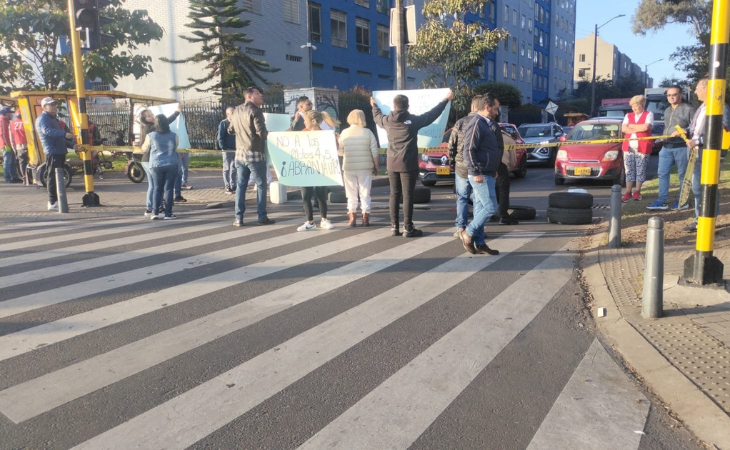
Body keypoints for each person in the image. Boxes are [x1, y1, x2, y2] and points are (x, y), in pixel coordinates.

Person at [371, 89, 453, 237]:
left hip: (391, 164)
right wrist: (445, 100)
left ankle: (394, 226)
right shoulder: (413, 121)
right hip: (408, 164)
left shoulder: (387, 121)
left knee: (394, 195)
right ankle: (408, 228)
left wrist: (374, 105)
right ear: (407, 107)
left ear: (394, 106)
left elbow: (377, 117)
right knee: (407, 195)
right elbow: (431, 115)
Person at [684, 77, 730, 232]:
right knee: (697, 188)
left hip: (710, 153)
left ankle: (709, 221)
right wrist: (686, 133)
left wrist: (697, 141)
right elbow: (696, 128)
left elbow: (720, 132)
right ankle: (699, 220)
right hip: (696, 152)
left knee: (709, 187)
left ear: (707, 89)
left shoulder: (720, 107)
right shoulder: (702, 107)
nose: (695, 91)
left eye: (697, 88)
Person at [459, 94, 500, 256]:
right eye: (495, 108)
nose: (497, 112)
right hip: (480, 173)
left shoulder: (486, 124)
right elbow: (468, 150)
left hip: (487, 172)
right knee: (491, 208)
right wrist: (475, 171)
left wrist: (492, 168)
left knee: (480, 210)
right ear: (487, 107)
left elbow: (486, 149)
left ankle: (480, 243)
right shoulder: (476, 123)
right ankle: (468, 233)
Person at [229, 86, 275, 227]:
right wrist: (274, 134)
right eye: (257, 93)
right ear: (249, 96)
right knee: (261, 185)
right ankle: (262, 216)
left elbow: (230, 130)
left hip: (240, 154)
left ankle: (238, 218)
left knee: (241, 185)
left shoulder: (236, 110)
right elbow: (261, 133)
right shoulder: (255, 111)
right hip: (255, 154)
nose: (261, 95)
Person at [647, 86, 695, 211]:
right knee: (662, 174)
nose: (671, 97)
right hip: (666, 147)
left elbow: (695, 127)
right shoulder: (667, 110)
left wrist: (686, 130)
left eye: (674, 94)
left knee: (682, 175)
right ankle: (662, 201)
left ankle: (682, 201)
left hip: (681, 147)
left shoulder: (688, 109)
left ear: (681, 95)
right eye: (669, 95)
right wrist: (662, 137)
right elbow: (667, 127)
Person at [338, 109, 379, 227]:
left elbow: (340, 152)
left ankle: (352, 217)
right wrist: (376, 166)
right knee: (365, 193)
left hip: (349, 167)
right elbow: (374, 151)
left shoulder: (344, 133)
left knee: (351, 193)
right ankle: (365, 216)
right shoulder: (368, 132)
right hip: (365, 167)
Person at [138, 106, 181, 216]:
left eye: (152, 114)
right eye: (149, 116)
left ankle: (152, 208)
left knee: (154, 186)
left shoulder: (148, 128)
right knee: (158, 187)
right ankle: (155, 208)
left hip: (150, 161)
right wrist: (176, 113)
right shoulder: (150, 128)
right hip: (151, 160)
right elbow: (164, 122)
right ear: (144, 119)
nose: (152, 117)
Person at [36, 98, 77, 209]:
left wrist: (72, 145)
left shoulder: (52, 119)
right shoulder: (43, 118)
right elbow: (47, 131)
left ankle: (57, 200)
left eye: (55, 104)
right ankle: (52, 201)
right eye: (51, 104)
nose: (54, 106)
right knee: (53, 177)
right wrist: (64, 134)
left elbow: (60, 138)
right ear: (44, 107)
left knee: (57, 176)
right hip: (52, 151)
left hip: (59, 151)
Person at [297, 110, 335, 231]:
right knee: (306, 195)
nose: (304, 122)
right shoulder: (303, 133)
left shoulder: (325, 135)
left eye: (306, 120)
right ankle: (310, 221)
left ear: (313, 121)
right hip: (306, 168)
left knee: (320, 195)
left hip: (320, 168)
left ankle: (324, 219)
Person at [449, 99, 478, 238]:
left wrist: (452, 161)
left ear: (472, 106)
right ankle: (476, 229)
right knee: (478, 199)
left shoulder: (460, 122)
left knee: (462, 198)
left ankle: (460, 227)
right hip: (478, 167)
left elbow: (451, 144)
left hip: (461, 166)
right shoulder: (484, 123)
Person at [489, 97, 518, 225]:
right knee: (503, 191)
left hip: (488, 165)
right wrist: (509, 167)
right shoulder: (509, 139)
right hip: (501, 166)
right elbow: (513, 160)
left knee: (491, 191)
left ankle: (490, 214)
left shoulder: (486, 134)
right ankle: (503, 216)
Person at [620, 95, 653, 203]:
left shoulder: (649, 114)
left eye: (636, 106)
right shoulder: (628, 115)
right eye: (632, 106)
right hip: (628, 146)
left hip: (642, 146)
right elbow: (624, 129)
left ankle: (637, 191)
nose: (634, 109)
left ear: (642, 105)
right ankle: (628, 192)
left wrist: (631, 126)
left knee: (640, 169)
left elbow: (646, 127)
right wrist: (637, 128)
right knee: (629, 169)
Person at [217, 107, 237, 194]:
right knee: (226, 168)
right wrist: (223, 147)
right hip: (227, 149)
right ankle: (227, 186)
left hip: (235, 149)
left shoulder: (236, 122)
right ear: (228, 114)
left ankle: (233, 185)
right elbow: (220, 137)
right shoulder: (223, 123)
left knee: (234, 168)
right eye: (232, 112)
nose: (234, 114)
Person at [9, 109, 29, 185]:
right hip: (28, 144)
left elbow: (11, 138)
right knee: (31, 162)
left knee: (22, 162)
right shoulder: (26, 122)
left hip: (18, 145)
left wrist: (14, 148)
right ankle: (31, 177)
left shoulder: (11, 124)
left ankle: (24, 179)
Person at [1, 106, 20, 183]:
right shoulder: (2, 120)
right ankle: (7, 178)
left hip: (9, 144)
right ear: (6, 113)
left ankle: (14, 177)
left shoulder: (6, 120)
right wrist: (7, 144)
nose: (11, 114)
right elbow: (3, 134)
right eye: (9, 113)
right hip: (6, 144)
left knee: (12, 161)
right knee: (8, 162)